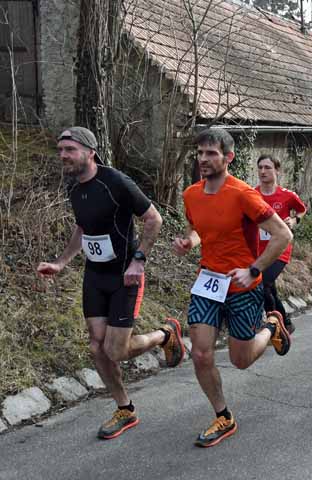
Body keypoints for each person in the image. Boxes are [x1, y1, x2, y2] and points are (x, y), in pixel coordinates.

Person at [37, 127, 185, 440]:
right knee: (97, 346)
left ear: (90, 152)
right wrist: (61, 263)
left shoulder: (115, 182)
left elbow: (154, 219)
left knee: (115, 350)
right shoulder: (75, 188)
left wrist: (138, 260)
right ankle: (125, 408)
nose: (63, 155)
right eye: (61, 149)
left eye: (70, 149)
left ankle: (165, 335)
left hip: (124, 275)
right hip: (95, 275)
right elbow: (82, 229)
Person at [173, 128, 293, 448]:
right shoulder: (191, 195)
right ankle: (223, 415)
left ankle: (271, 326)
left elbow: (283, 235)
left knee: (240, 360)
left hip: (242, 285)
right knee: (200, 353)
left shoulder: (243, 195)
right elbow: (199, 230)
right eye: (199, 153)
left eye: (211, 153)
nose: (203, 159)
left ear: (229, 157)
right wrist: (189, 241)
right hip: (208, 283)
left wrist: (254, 268)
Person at [255, 154, 307, 334]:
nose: (263, 171)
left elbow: (302, 209)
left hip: (280, 250)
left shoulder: (287, 195)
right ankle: (286, 322)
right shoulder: (252, 195)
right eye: (260, 167)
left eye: (267, 167)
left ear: (277, 170)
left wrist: (294, 221)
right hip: (259, 251)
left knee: (263, 284)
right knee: (269, 289)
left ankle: (273, 324)